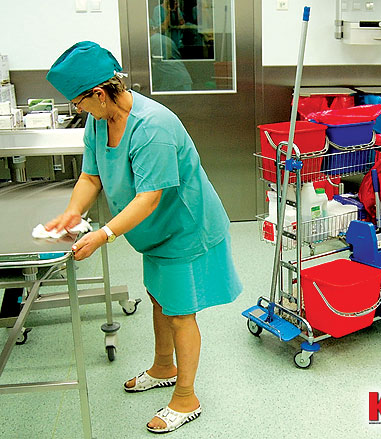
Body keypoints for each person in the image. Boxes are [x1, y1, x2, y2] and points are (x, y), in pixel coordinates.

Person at [45, 41, 242, 434]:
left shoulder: (153, 127)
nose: (78, 110)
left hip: (184, 227)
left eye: (79, 102)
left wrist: (103, 234)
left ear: (99, 94)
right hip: (153, 231)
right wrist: (72, 212)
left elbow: (150, 198)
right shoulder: (98, 122)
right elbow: (90, 177)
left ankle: (186, 397)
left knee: (181, 312)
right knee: (158, 297)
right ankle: (164, 366)